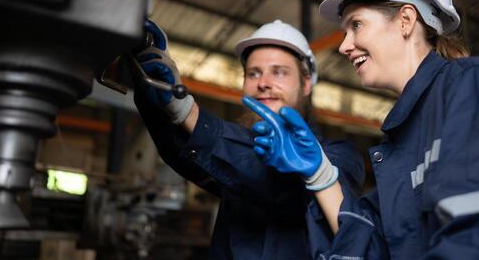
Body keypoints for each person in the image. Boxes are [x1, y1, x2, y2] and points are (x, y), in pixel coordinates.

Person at [244, 0, 479, 259]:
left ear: (406, 20)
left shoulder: (471, 86)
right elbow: (372, 245)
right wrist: (321, 175)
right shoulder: (401, 136)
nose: (344, 45)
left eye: (356, 25)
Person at [133, 19, 365, 259]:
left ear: (306, 84)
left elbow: (275, 182)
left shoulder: (341, 156)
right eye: (253, 73)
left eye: (279, 72)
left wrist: (188, 112)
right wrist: (152, 87)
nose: (263, 83)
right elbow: (182, 150)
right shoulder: (232, 159)